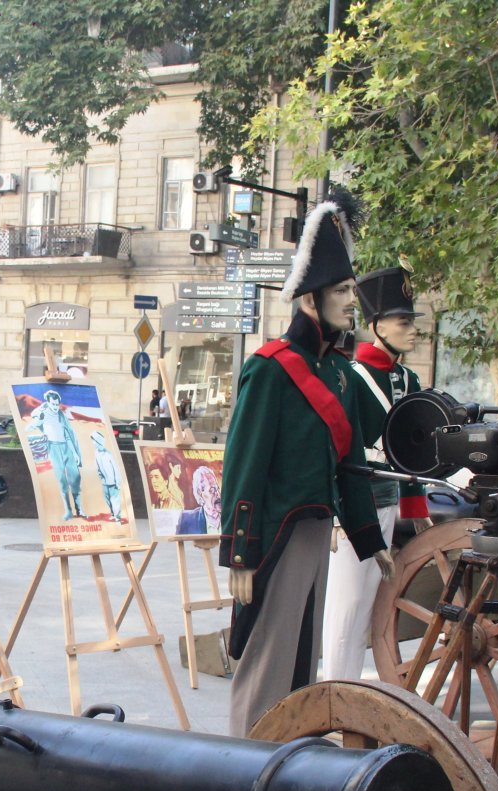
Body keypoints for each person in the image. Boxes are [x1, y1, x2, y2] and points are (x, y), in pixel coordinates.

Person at [220, 196, 387, 737]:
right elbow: (244, 464)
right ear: (311, 299)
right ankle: (246, 757)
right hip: (276, 531)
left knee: (301, 657)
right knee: (268, 659)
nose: (352, 301)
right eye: (341, 291)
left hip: (317, 530)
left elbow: (352, 462)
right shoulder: (270, 369)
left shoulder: (338, 372)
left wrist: (368, 537)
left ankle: (290, 754)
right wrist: (240, 552)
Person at [321, 265, 434, 680]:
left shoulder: (408, 379)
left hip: (387, 501)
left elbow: (411, 452)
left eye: (411, 321)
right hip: (354, 505)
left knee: (369, 605)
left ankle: (349, 688)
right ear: (376, 326)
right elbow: (334, 449)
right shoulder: (349, 378)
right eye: (403, 322)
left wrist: (417, 509)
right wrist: (336, 514)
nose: (412, 330)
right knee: (346, 607)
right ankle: (336, 690)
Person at [27, 388, 84, 519]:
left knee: (75, 477)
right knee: (62, 480)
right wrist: (42, 410)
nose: (55, 407)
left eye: (57, 404)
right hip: (53, 448)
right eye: (53, 404)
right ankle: (68, 510)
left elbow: (68, 435)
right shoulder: (42, 414)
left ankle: (79, 509)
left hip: (66, 447)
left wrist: (75, 453)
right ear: (48, 402)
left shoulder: (61, 415)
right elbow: (31, 422)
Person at [90, 429, 125, 522]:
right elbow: (97, 466)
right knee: (107, 499)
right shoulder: (96, 453)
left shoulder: (108, 454)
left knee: (115, 499)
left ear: (98, 441)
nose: (93, 443)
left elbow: (115, 468)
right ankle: (113, 514)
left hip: (113, 482)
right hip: (104, 482)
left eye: (94, 440)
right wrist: (101, 477)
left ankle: (117, 517)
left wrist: (117, 481)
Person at [176, 465, 221, 536]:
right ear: (200, 493)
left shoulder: (230, 516)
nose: (218, 494)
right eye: (212, 490)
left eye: (217, 489)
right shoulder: (188, 520)